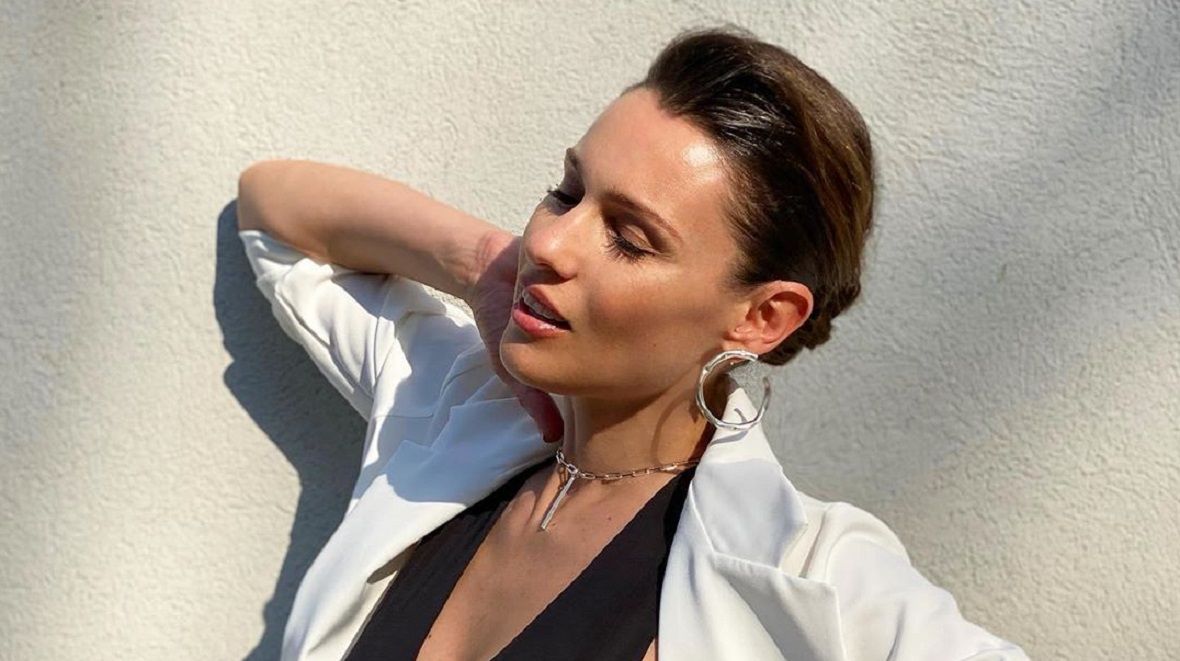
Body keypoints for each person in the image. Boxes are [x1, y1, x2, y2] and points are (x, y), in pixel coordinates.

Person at [236, 24, 1029, 661]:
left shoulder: (813, 572)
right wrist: (483, 268)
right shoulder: (460, 398)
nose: (551, 242)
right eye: (568, 191)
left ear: (762, 317)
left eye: (629, 237)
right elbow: (273, 212)